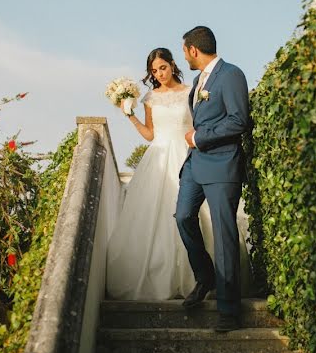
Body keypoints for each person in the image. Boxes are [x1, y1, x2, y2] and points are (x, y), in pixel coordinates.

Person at [105, 47, 250, 301]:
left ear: (172, 65)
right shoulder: (150, 98)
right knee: (171, 217)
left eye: (163, 67)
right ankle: (180, 277)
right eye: (154, 71)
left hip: (190, 154)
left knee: (202, 216)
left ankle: (213, 279)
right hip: (159, 157)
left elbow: (200, 125)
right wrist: (131, 117)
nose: (159, 74)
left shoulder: (191, 91)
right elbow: (150, 134)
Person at [176, 26, 251, 333]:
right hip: (195, 165)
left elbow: (239, 120)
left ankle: (229, 310)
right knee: (182, 217)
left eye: (184, 51)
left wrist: (199, 137)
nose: (185, 56)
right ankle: (205, 275)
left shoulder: (231, 74)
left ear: (194, 50)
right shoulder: (197, 81)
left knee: (223, 235)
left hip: (221, 164)